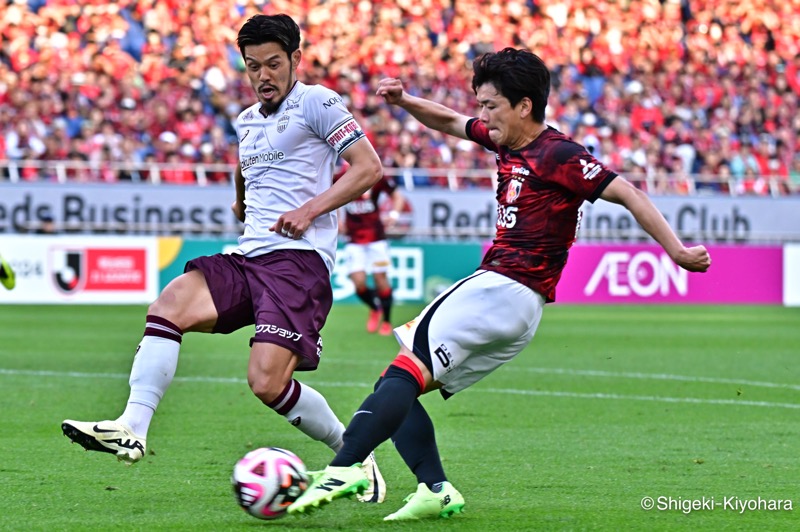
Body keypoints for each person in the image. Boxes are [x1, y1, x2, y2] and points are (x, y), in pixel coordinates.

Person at [288, 48, 711, 520]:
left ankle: (344, 467)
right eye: (481, 105)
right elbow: (450, 121)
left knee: (402, 375)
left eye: (491, 106)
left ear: (524, 106)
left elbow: (627, 192)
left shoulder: (559, 153)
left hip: (504, 286)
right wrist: (405, 101)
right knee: (397, 383)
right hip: (519, 308)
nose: (483, 116)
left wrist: (676, 251)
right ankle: (435, 489)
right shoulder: (505, 140)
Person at [61, 13, 387, 503]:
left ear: (296, 59)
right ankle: (132, 426)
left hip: (297, 262)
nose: (263, 75)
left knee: (266, 383)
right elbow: (245, 166)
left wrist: (309, 210)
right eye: (253, 66)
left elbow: (368, 168)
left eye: (273, 64)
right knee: (169, 304)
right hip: (249, 255)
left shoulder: (317, 102)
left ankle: (354, 455)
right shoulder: (247, 120)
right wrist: (241, 202)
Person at [339, 170, 406, 335]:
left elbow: (397, 196)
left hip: (376, 239)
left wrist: (394, 215)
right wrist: (337, 219)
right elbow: (326, 196)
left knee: (380, 280)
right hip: (354, 239)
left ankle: (387, 321)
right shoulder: (340, 177)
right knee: (358, 283)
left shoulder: (375, 174)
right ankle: (375, 308)